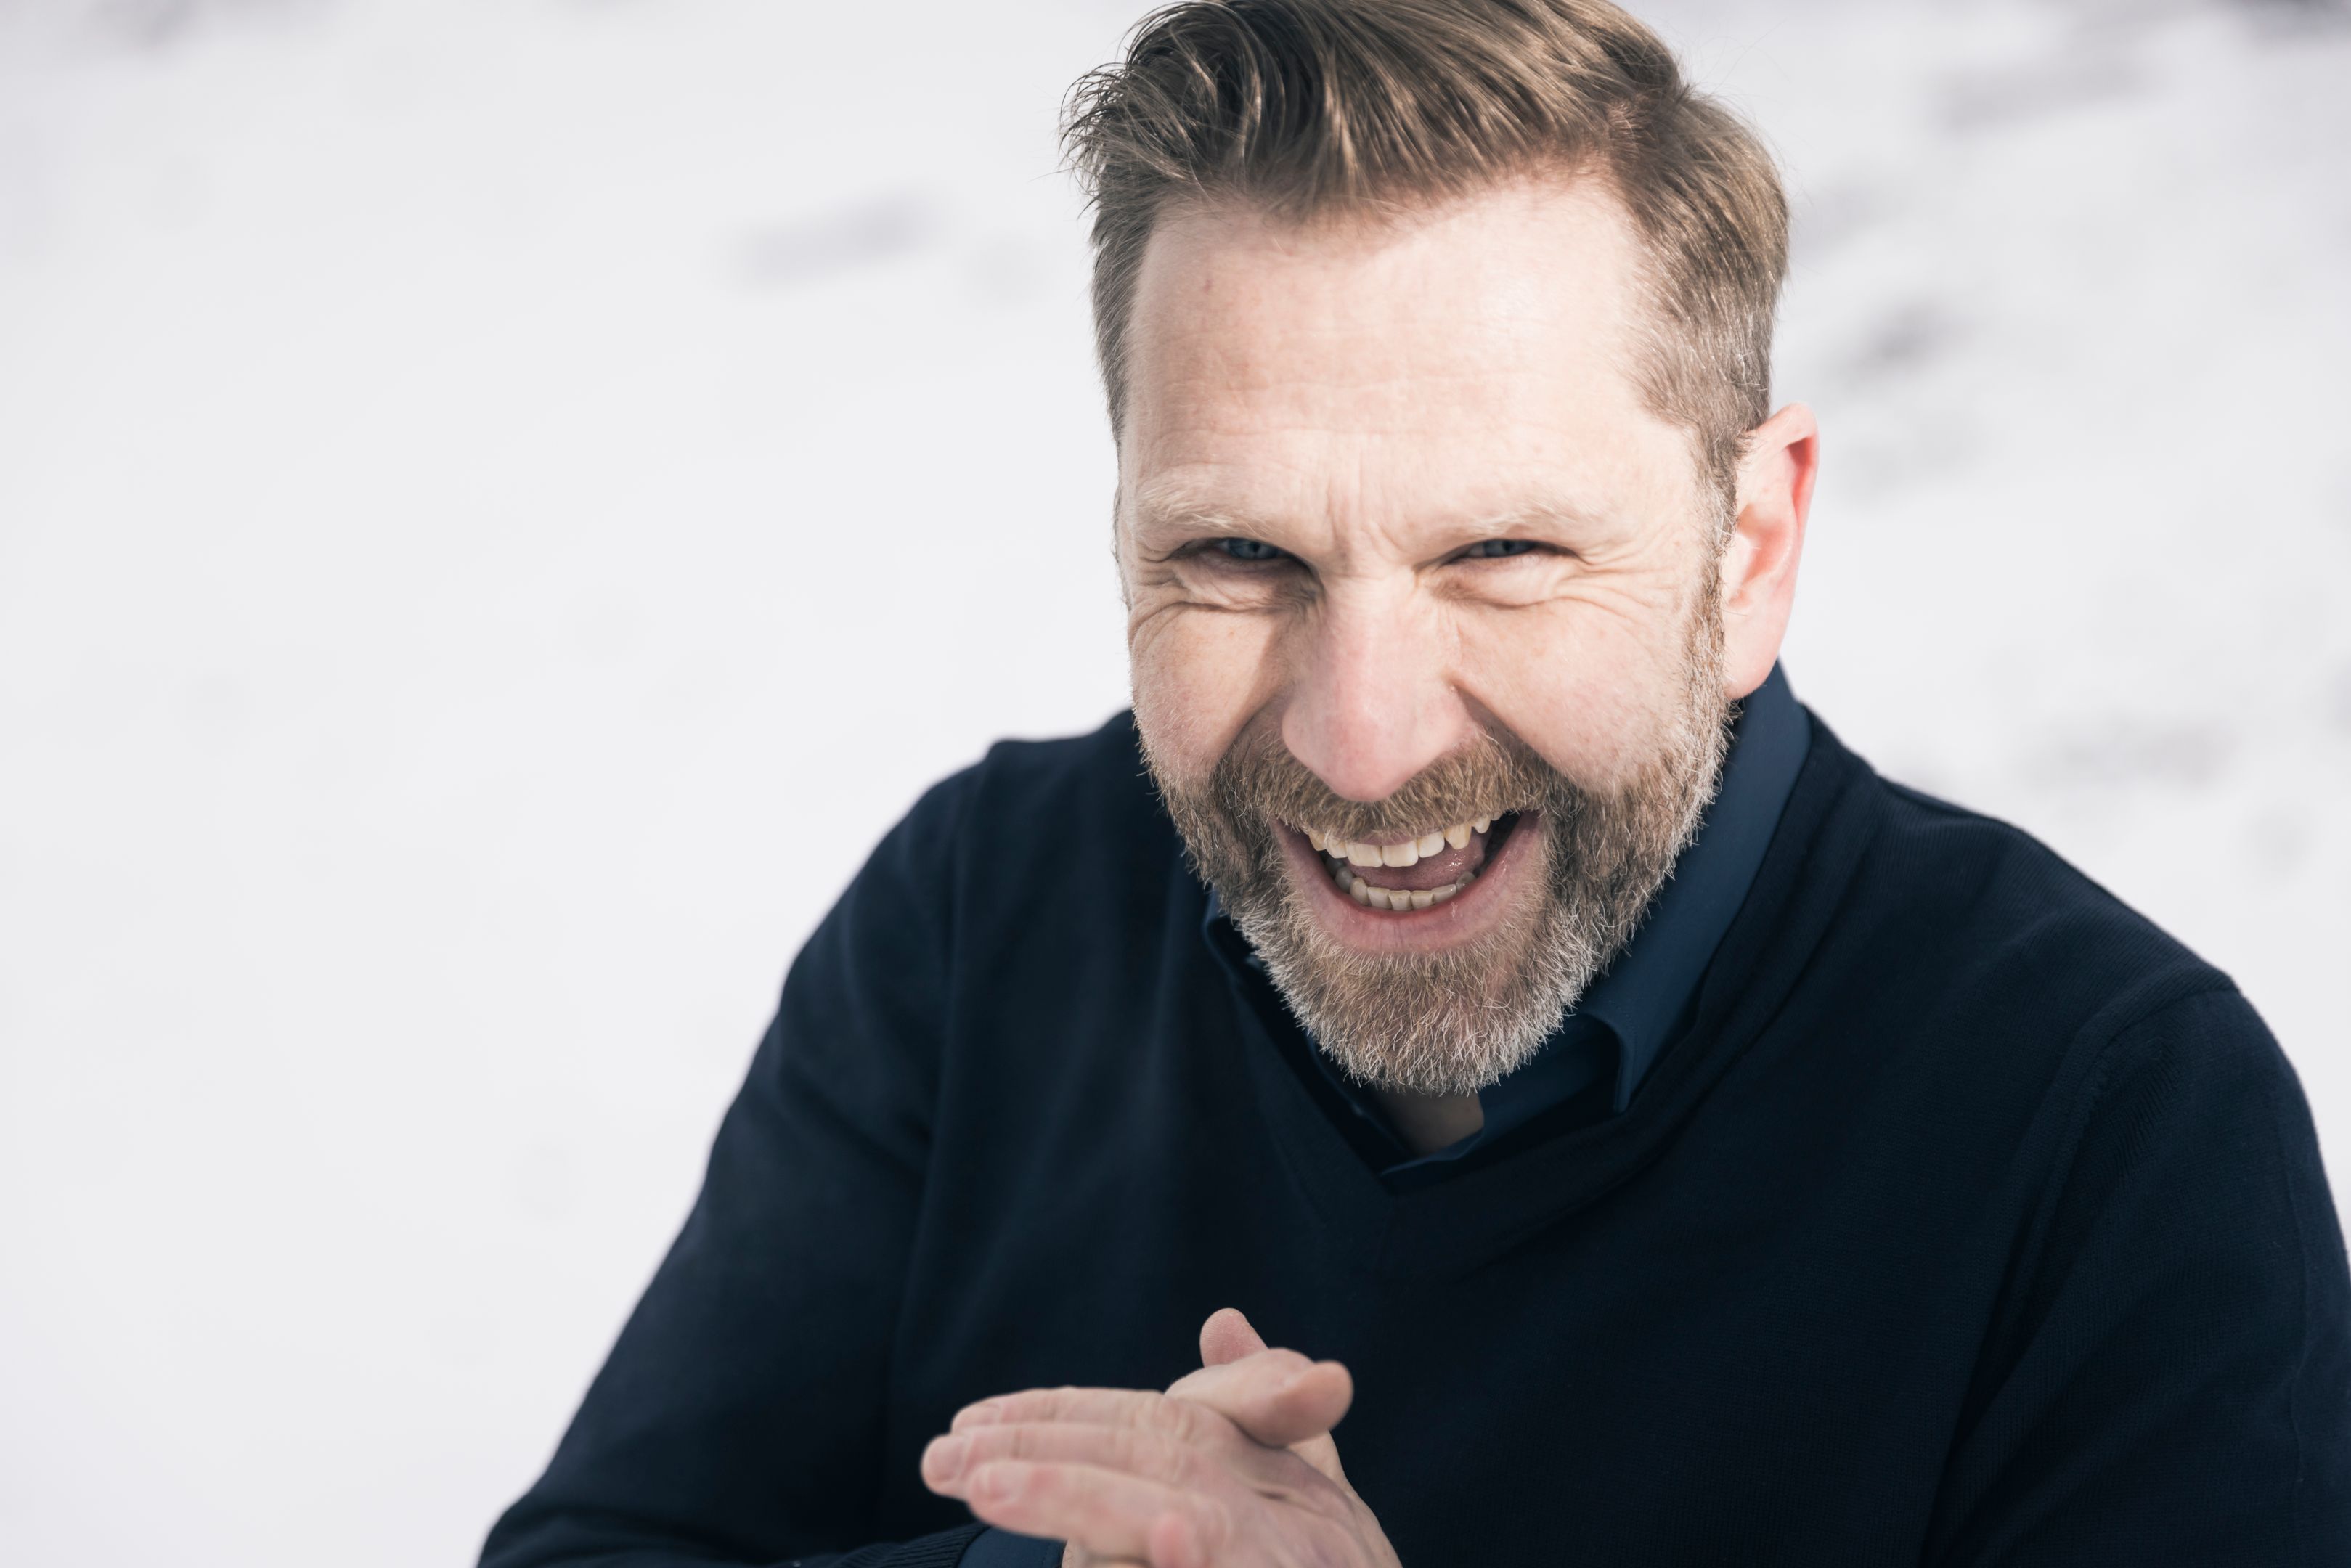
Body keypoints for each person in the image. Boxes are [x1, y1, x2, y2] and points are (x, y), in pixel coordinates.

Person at [479, 2, 2351, 1564]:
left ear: (1749, 549)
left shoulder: (2114, 1123)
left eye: (1503, 553)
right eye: (1239, 557)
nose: (1360, 744)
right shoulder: (982, 911)